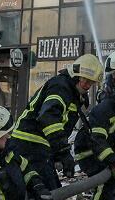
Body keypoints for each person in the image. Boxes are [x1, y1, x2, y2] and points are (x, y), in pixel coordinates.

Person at [10, 54, 102, 190]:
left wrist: (58, 154)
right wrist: (63, 151)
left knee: (50, 191)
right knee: (46, 192)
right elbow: (48, 117)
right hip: (28, 145)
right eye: (86, 80)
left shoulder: (71, 91)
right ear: (76, 75)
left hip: (38, 147)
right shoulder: (60, 87)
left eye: (91, 83)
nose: (88, 85)